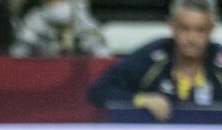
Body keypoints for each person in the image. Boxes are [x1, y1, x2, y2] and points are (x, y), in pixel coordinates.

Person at [87, 0, 222, 122]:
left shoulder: (219, 60)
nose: (192, 39)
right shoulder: (153, 56)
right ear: (172, 26)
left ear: (211, 29)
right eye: (185, 29)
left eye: (200, 30)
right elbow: (98, 91)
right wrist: (142, 100)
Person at [10, 0, 109, 57]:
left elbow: (101, 55)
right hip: (42, 71)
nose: (57, 3)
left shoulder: (82, 19)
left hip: (76, 74)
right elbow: (18, 54)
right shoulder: (35, 19)